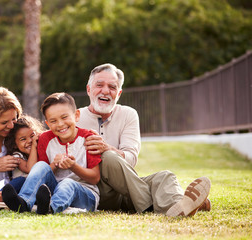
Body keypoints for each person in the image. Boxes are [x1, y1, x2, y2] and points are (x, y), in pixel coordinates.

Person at [76, 63, 211, 217]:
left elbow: (131, 159)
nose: (106, 91)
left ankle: (178, 207)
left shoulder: (129, 114)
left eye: (112, 87)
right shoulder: (73, 118)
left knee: (164, 177)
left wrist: (107, 148)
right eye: (99, 85)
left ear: (118, 93)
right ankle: (167, 204)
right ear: (88, 89)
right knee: (107, 157)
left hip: (127, 190)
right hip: (94, 191)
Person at [1, 92, 101, 214]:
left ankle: (50, 208)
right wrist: (55, 164)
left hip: (86, 194)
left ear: (76, 115)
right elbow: (44, 174)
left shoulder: (89, 138)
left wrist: (73, 166)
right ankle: (24, 202)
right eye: (53, 121)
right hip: (54, 190)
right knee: (40, 166)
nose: (60, 124)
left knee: (68, 183)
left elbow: (95, 178)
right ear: (47, 123)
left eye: (64, 117)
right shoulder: (45, 139)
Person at [0, 115, 45, 201]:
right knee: (22, 180)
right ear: (15, 145)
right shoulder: (17, 157)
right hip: (18, 189)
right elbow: (31, 169)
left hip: (32, 191)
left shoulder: (41, 153)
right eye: (23, 139)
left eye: (32, 136)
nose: (30, 141)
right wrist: (34, 146)